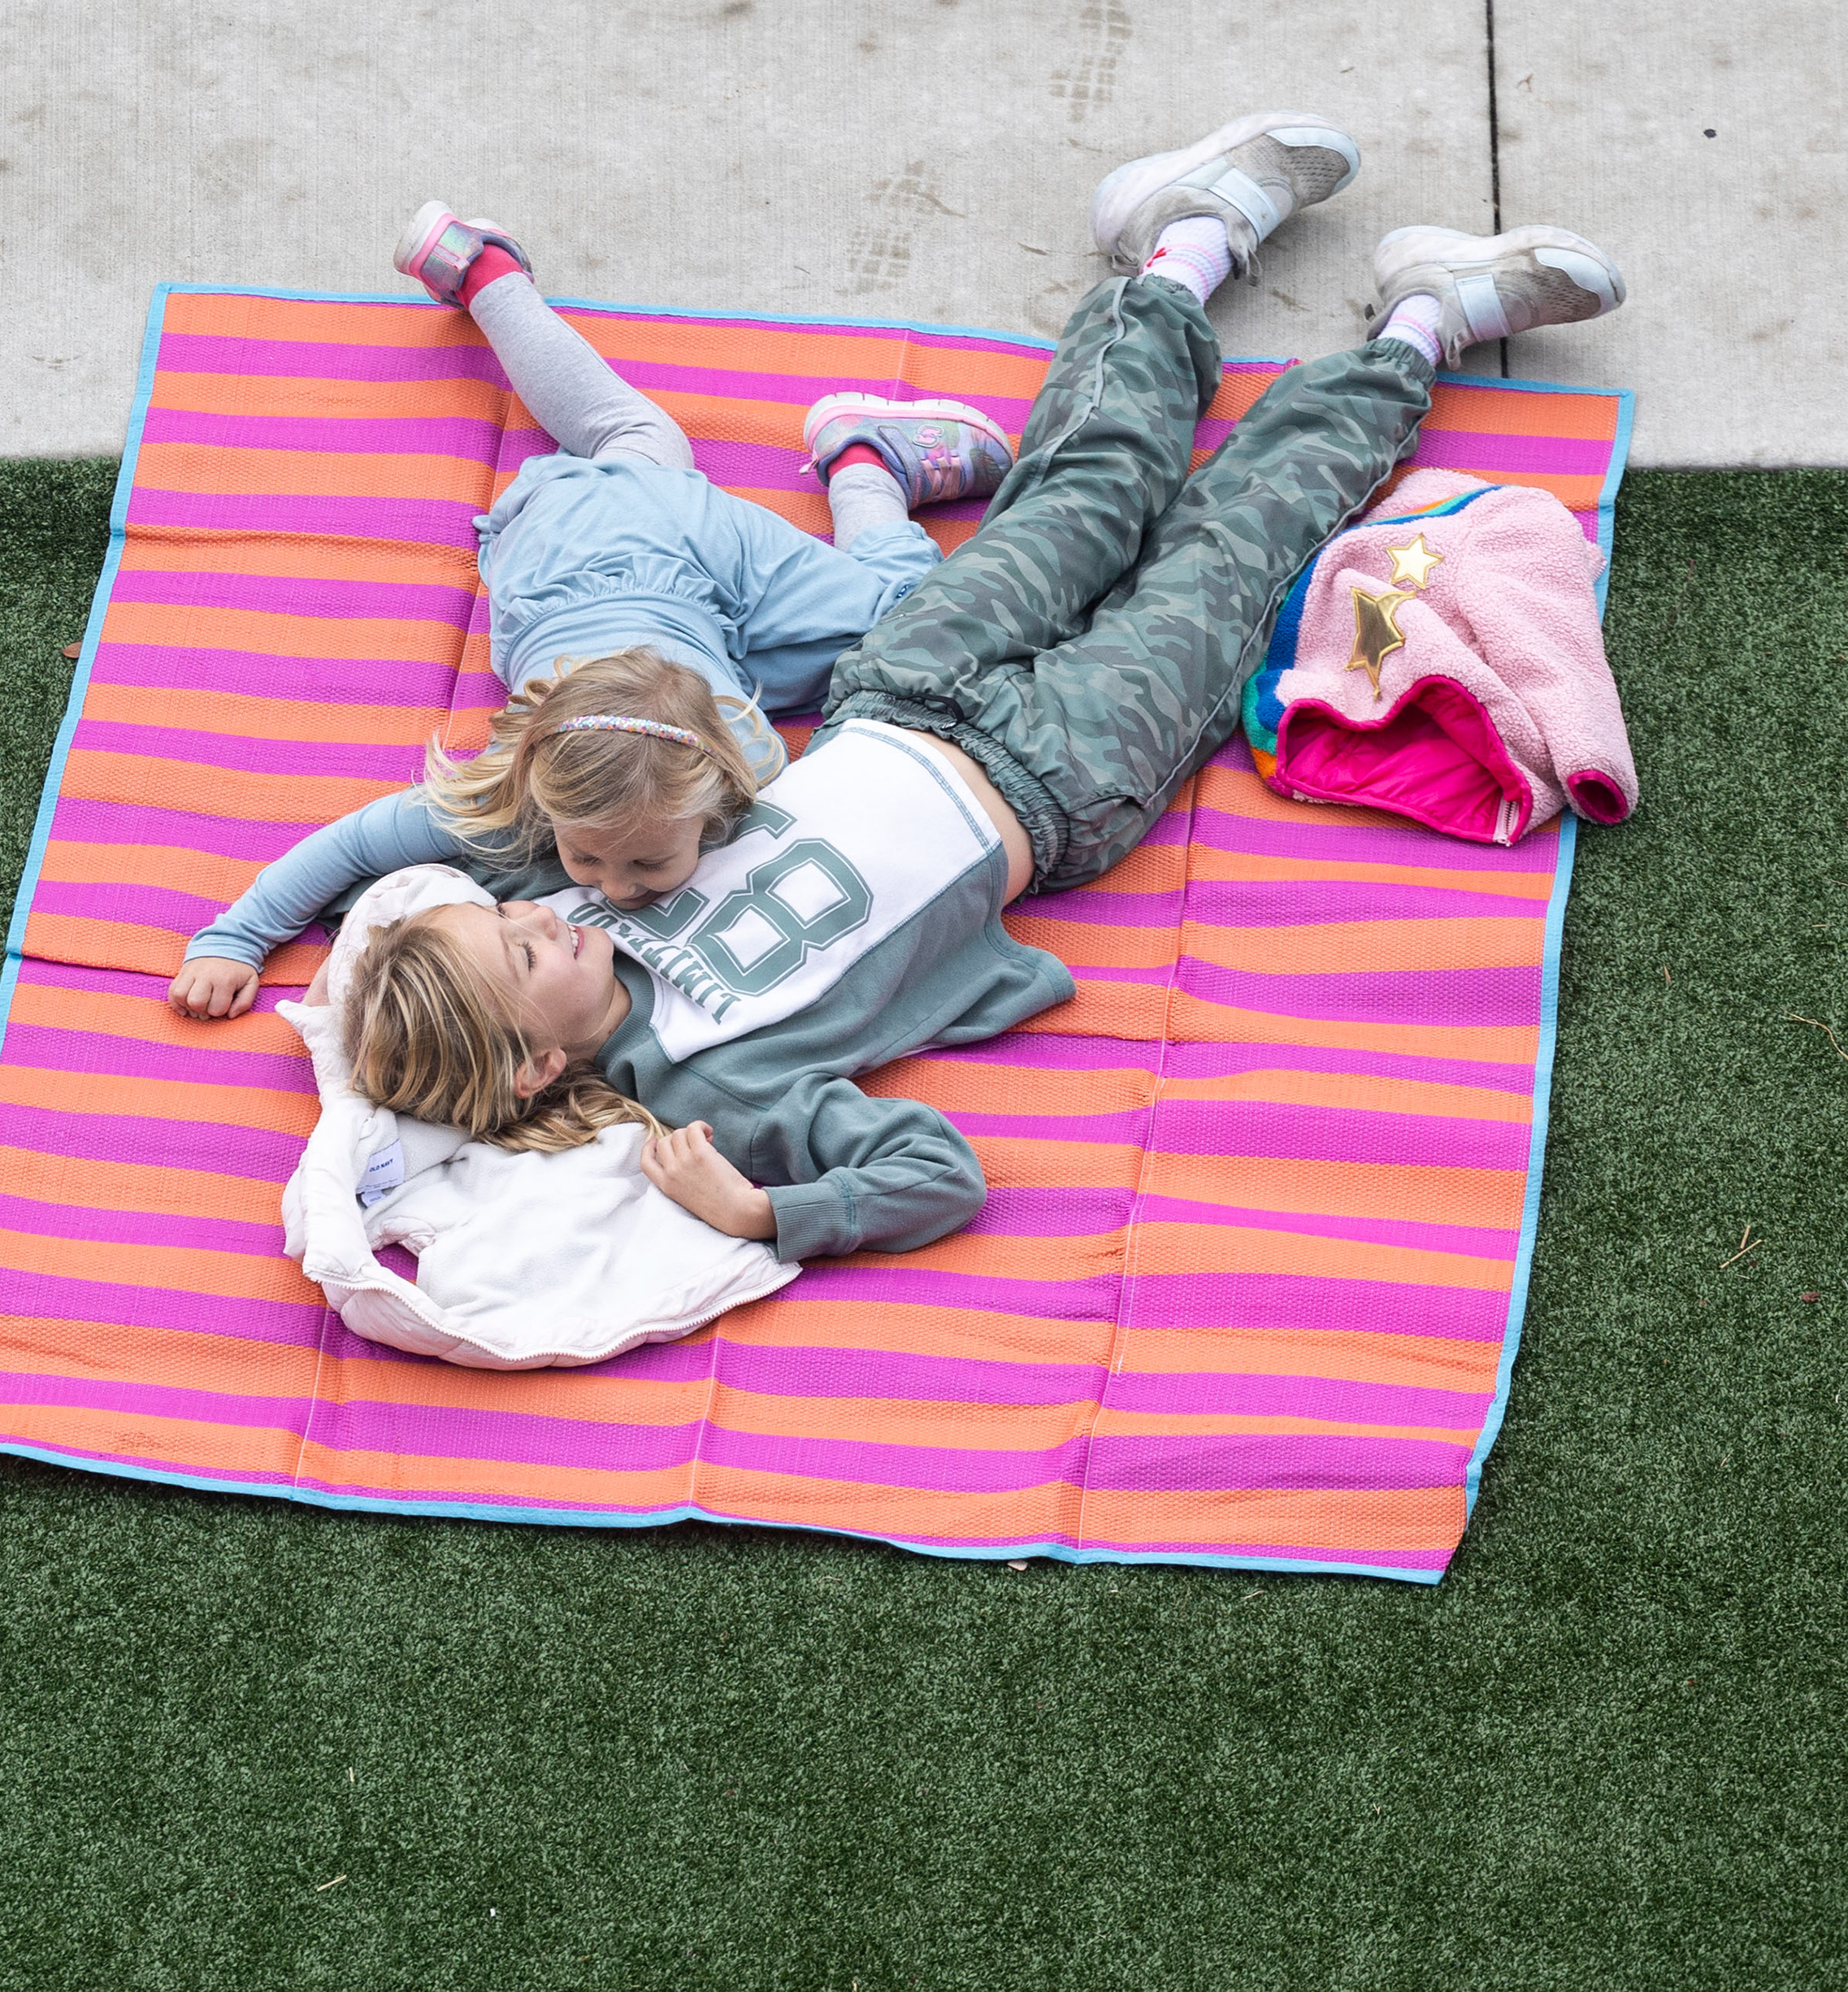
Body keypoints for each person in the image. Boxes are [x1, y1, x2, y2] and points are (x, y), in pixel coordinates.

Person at [332, 111, 1627, 1260]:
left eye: (510, 915)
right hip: (1061, 778)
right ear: (537, 1062)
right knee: (1230, 556)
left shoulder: (570, 876)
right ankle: (1422, 325)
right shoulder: (710, 1094)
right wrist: (762, 1211)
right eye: (517, 949)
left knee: (1083, 490)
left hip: (898, 684)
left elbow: (399, 847)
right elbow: (932, 1174)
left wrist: (240, 937)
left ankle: (1184, 243)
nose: (538, 916)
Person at [163, 201, 1016, 1019]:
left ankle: (867, 460)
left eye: (645, 860)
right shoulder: (507, 795)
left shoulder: (749, 755)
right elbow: (348, 846)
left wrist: (235, 938)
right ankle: (489, 277)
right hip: (569, 545)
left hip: (646, 542)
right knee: (633, 442)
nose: (612, 886)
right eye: (587, 856)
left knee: (901, 621)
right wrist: (234, 938)